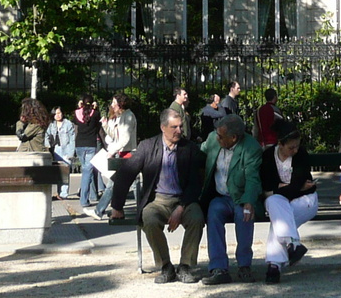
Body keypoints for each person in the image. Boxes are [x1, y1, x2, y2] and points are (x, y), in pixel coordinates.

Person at [109, 106, 206, 283]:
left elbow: (195, 183)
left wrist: (181, 207)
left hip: (183, 200)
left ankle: (185, 266)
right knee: (149, 218)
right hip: (158, 200)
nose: (179, 131)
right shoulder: (147, 146)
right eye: (174, 127)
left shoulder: (189, 148)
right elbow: (126, 173)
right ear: (163, 127)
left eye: (180, 127)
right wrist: (117, 207)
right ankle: (166, 266)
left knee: (197, 218)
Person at [199, 113, 261, 284]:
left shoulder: (250, 147)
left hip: (241, 197)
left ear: (234, 137)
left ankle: (244, 266)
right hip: (220, 196)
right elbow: (199, 153)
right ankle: (219, 268)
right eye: (217, 134)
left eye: (221, 136)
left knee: (245, 215)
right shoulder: (213, 139)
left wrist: (249, 201)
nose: (217, 138)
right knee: (213, 213)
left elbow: (252, 177)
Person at [260, 127, 318, 284]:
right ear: (280, 144)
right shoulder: (267, 156)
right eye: (291, 147)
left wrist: (278, 189)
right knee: (275, 206)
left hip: (305, 200)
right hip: (280, 201)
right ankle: (292, 244)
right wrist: (291, 187)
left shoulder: (301, 155)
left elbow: (297, 185)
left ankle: (275, 265)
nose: (295, 150)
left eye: (297, 146)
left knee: (278, 217)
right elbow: (266, 183)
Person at [87, 95, 139, 218]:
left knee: (132, 184)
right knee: (117, 183)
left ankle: (100, 211)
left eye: (114, 102)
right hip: (123, 153)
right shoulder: (122, 117)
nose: (112, 105)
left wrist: (112, 151)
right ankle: (99, 210)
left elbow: (125, 139)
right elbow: (116, 137)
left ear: (120, 104)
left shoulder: (129, 116)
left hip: (128, 153)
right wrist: (105, 125)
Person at [74, 95, 107, 213]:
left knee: (85, 170)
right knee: (87, 171)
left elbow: (77, 126)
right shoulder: (96, 114)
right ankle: (84, 199)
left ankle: (87, 197)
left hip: (79, 145)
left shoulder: (76, 113)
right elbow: (99, 128)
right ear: (93, 103)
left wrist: (80, 106)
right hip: (91, 145)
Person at [45, 106, 76, 199]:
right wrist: (48, 146)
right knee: (59, 172)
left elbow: (72, 139)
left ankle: (64, 193)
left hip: (66, 149)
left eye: (59, 113)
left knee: (65, 171)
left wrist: (71, 153)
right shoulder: (52, 125)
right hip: (56, 149)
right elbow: (46, 135)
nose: (57, 115)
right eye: (55, 114)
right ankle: (59, 192)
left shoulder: (68, 124)